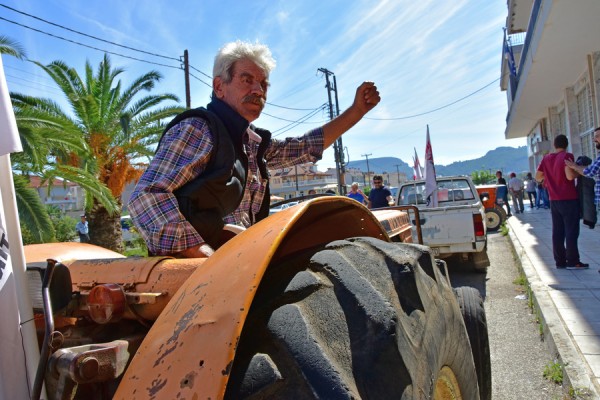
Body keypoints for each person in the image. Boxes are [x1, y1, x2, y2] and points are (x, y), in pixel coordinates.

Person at [128, 41, 380, 257]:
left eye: (263, 84)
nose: (258, 90)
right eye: (246, 80)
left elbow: (305, 147)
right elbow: (147, 196)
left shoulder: (252, 143)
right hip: (197, 282)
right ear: (219, 87)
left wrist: (356, 111)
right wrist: (203, 256)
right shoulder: (199, 129)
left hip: (241, 266)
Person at [536, 134, 588, 270]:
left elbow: (538, 177)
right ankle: (573, 261)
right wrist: (578, 172)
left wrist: (548, 180)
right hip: (569, 198)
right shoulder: (567, 156)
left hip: (554, 200)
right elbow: (569, 176)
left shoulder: (546, 158)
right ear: (567, 144)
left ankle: (560, 261)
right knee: (571, 230)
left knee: (557, 231)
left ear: (554, 145)